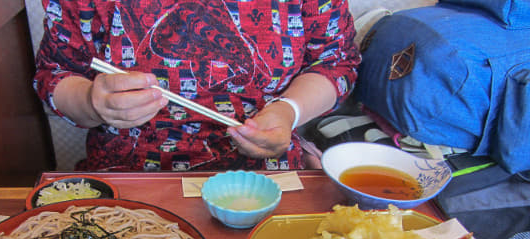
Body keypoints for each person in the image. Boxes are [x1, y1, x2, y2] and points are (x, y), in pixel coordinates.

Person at [34, 0, 360, 171]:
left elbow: (336, 62)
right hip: (130, 176)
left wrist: (289, 111)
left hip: (266, 175)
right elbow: (55, 74)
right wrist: (93, 102)